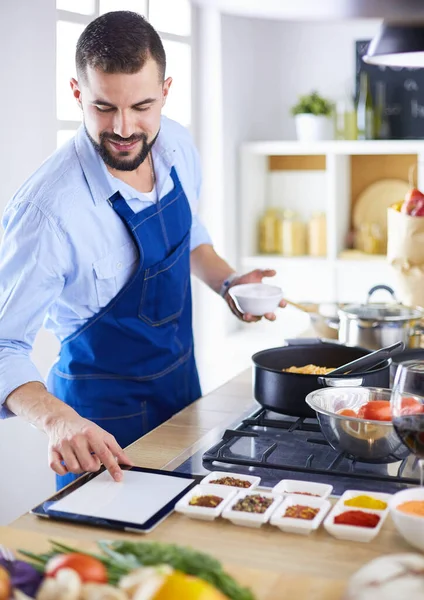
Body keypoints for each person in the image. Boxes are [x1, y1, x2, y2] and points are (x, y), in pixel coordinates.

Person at [0, 11, 285, 489]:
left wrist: (229, 282)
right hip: (100, 434)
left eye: (142, 107)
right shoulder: (48, 212)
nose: (125, 128)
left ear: (166, 91)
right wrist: (57, 421)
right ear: (77, 94)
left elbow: (188, 235)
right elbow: (4, 345)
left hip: (183, 398)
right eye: (104, 108)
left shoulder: (175, 143)